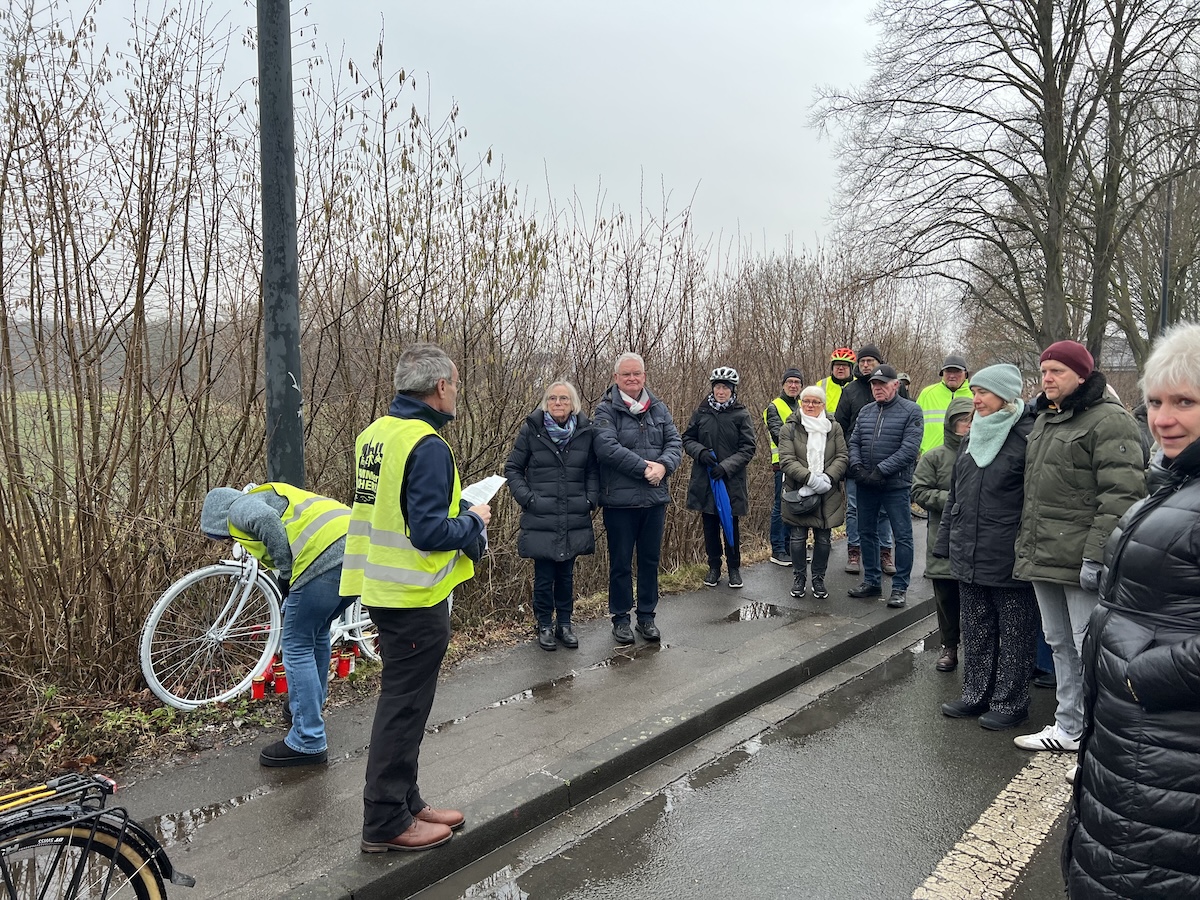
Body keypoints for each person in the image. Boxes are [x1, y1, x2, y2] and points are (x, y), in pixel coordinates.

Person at [1062, 322, 1200, 900]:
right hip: (1136, 741)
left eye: (1185, 402)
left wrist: (1139, 677)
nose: (1163, 419)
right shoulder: (1174, 482)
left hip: (1172, 752)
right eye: (1156, 402)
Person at [344, 343, 490, 853]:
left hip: (382, 587)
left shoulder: (375, 434)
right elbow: (428, 531)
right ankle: (386, 820)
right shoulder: (426, 444)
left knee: (405, 701)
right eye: (456, 385)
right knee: (404, 708)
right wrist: (473, 519)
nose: (457, 393)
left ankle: (407, 802)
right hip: (414, 594)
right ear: (441, 387)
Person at [1012, 340, 1145, 753]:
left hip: (1080, 558)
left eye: (1057, 371)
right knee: (1059, 643)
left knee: (1090, 648)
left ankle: (1099, 737)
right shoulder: (1046, 420)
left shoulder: (1110, 420)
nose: (1047, 378)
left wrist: (1096, 555)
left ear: (1082, 375)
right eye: (1044, 371)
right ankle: (1069, 726)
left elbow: (1121, 495)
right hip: (1044, 555)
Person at [200, 483, 352, 767]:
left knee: (296, 645)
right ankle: (309, 710)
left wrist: (285, 572)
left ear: (217, 518)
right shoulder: (272, 495)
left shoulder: (238, 508)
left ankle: (308, 740)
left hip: (324, 558)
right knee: (316, 633)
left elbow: (266, 520)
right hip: (358, 551)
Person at [934, 365, 1038, 730]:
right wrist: (946, 541)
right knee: (976, 628)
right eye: (974, 391)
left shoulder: (1028, 435)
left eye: (983, 392)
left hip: (1008, 552)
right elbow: (956, 495)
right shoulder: (972, 434)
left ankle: (1010, 702)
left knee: (1015, 633)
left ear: (1005, 395)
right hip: (969, 551)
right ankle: (975, 694)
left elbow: (1036, 500)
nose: (975, 399)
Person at [593, 352, 683, 645]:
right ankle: (620, 619)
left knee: (650, 561)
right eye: (626, 374)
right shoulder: (605, 410)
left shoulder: (658, 408)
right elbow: (606, 447)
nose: (632, 378)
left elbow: (675, 442)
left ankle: (646, 617)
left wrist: (664, 466)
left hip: (654, 500)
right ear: (616, 378)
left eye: (637, 373)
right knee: (620, 563)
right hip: (620, 503)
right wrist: (645, 469)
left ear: (644, 376)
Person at [504, 381, 599, 651]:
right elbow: (513, 468)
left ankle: (564, 624)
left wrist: (590, 499)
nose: (558, 403)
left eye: (564, 399)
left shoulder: (585, 432)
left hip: (573, 514)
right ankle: (544, 624)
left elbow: (593, 471)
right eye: (553, 398)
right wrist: (528, 498)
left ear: (573, 404)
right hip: (541, 516)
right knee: (544, 575)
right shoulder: (532, 430)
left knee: (566, 575)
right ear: (546, 403)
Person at [847, 364, 923, 607]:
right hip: (866, 483)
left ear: (895, 385)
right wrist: (858, 468)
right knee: (866, 532)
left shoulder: (911, 411)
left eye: (882, 384)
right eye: (874, 384)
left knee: (902, 536)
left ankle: (899, 587)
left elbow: (909, 449)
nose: (877, 388)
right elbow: (854, 442)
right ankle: (872, 581)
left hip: (895, 485)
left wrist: (881, 470)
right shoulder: (866, 411)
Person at [912, 396, 974, 672]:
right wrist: (954, 500)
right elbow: (919, 491)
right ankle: (949, 646)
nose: (967, 426)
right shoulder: (935, 457)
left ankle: (977, 650)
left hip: (977, 540)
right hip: (943, 537)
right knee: (946, 599)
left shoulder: (985, 452)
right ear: (951, 424)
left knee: (976, 601)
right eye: (962, 421)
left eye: (971, 421)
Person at [684, 367, 758, 589]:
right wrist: (700, 452)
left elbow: (748, 448)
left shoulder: (741, 414)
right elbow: (687, 438)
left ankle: (734, 568)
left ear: (732, 390)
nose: (721, 391)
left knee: (730, 525)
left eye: (725, 388)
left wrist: (726, 467)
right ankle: (714, 567)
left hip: (730, 480)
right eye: (718, 387)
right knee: (709, 526)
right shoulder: (701, 412)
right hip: (705, 479)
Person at [777, 385, 848, 599]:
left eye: (815, 402)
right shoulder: (789, 428)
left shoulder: (834, 427)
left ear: (823, 405)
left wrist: (827, 478)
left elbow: (842, 456)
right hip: (798, 490)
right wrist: (810, 479)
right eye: (806, 401)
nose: (810, 405)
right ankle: (799, 578)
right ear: (801, 403)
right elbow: (786, 460)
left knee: (824, 539)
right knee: (797, 537)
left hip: (828, 491)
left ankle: (818, 579)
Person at [834, 344, 895, 576]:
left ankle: (885, 552)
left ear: (879, 362)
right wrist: (849, 459)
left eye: (871, 361)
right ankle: (854, 551)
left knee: (884, 510)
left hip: (886, 461)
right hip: (855, 462)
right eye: (862, 361)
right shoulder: (850, 391)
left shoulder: (893, 387)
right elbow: (839, 427)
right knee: (854, 509)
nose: (866, 365)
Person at [763, 367, 804, 566]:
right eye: (790, 382)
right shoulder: (774, 407)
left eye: (797, 382)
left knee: (795, 504)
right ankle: (778, 549)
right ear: (783, 385)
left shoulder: (804, 405)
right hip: (782, 464)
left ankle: (790, 549)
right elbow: (779, 435)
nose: (793, 385)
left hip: (802, 465)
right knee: (781, 505)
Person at [916, 354, 972, 455]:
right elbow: (914, 425)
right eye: (948, 371)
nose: (952, 375)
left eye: (957, 371)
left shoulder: (975, 394)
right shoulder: (927, 394)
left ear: (966, 374)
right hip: (930, 456)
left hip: (967, 457)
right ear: (942, 373)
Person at [817, 348, 856, 416]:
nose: (840, 368)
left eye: (844, 365)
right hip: (826, 422)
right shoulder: (821, 385)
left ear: (851, 368)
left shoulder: (858, 384)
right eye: (837, 364)